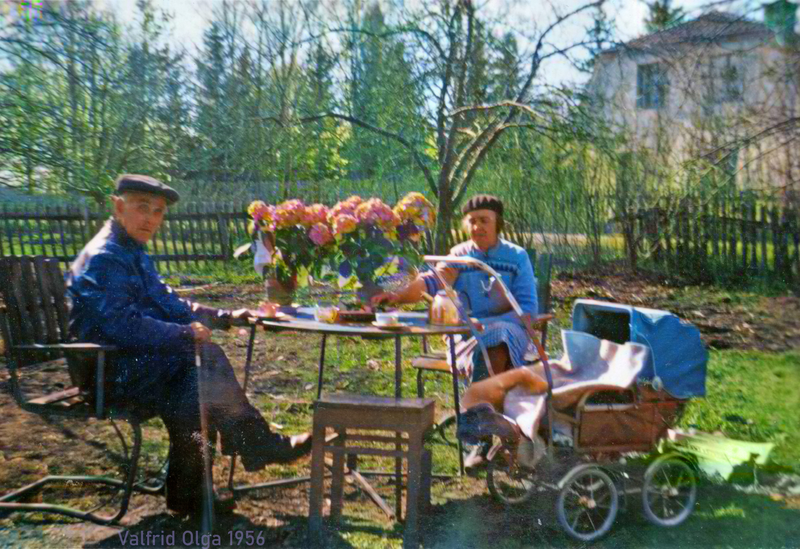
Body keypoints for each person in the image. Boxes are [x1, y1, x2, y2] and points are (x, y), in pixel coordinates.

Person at [67, 174, 312, 520]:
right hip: (105, 373)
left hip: (127, 364)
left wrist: (227, 315)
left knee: (195, 383)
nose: (151, 219)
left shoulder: (129, 250)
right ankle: (255, 446)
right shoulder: (107, 255)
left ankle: (193, 492)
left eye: (158, 211)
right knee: (200, 364)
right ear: (118, 206)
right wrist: (184, 334)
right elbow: (120, 325)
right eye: (142, 208)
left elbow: (168, 301)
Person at [371, 194, 539, 469]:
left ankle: (478, 439)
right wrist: (393, 294)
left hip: (514, 334)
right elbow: (429, 283)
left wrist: (495, 324)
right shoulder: (460, 255)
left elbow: (529, 311)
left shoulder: (516, 257)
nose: (477, 227)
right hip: (468, 336)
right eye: (472, 222)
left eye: (484, 221)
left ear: (499, 224)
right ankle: (494, 430)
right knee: (488, 344)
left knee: (497, 338)